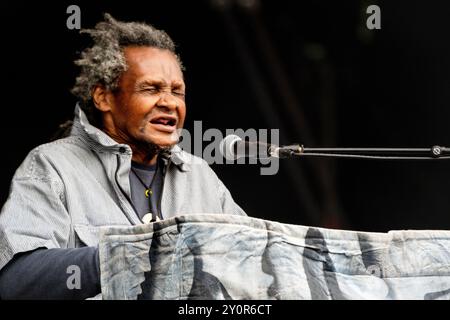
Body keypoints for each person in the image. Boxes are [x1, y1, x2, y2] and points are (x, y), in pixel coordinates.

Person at [0, 14, 246, 300]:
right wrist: (127, 255)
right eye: (151, 88)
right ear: (103, 98)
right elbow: (16, 280)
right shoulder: (52, 166)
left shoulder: (199, 174)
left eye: (177, 92)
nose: (169, 102)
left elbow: (251, 265)